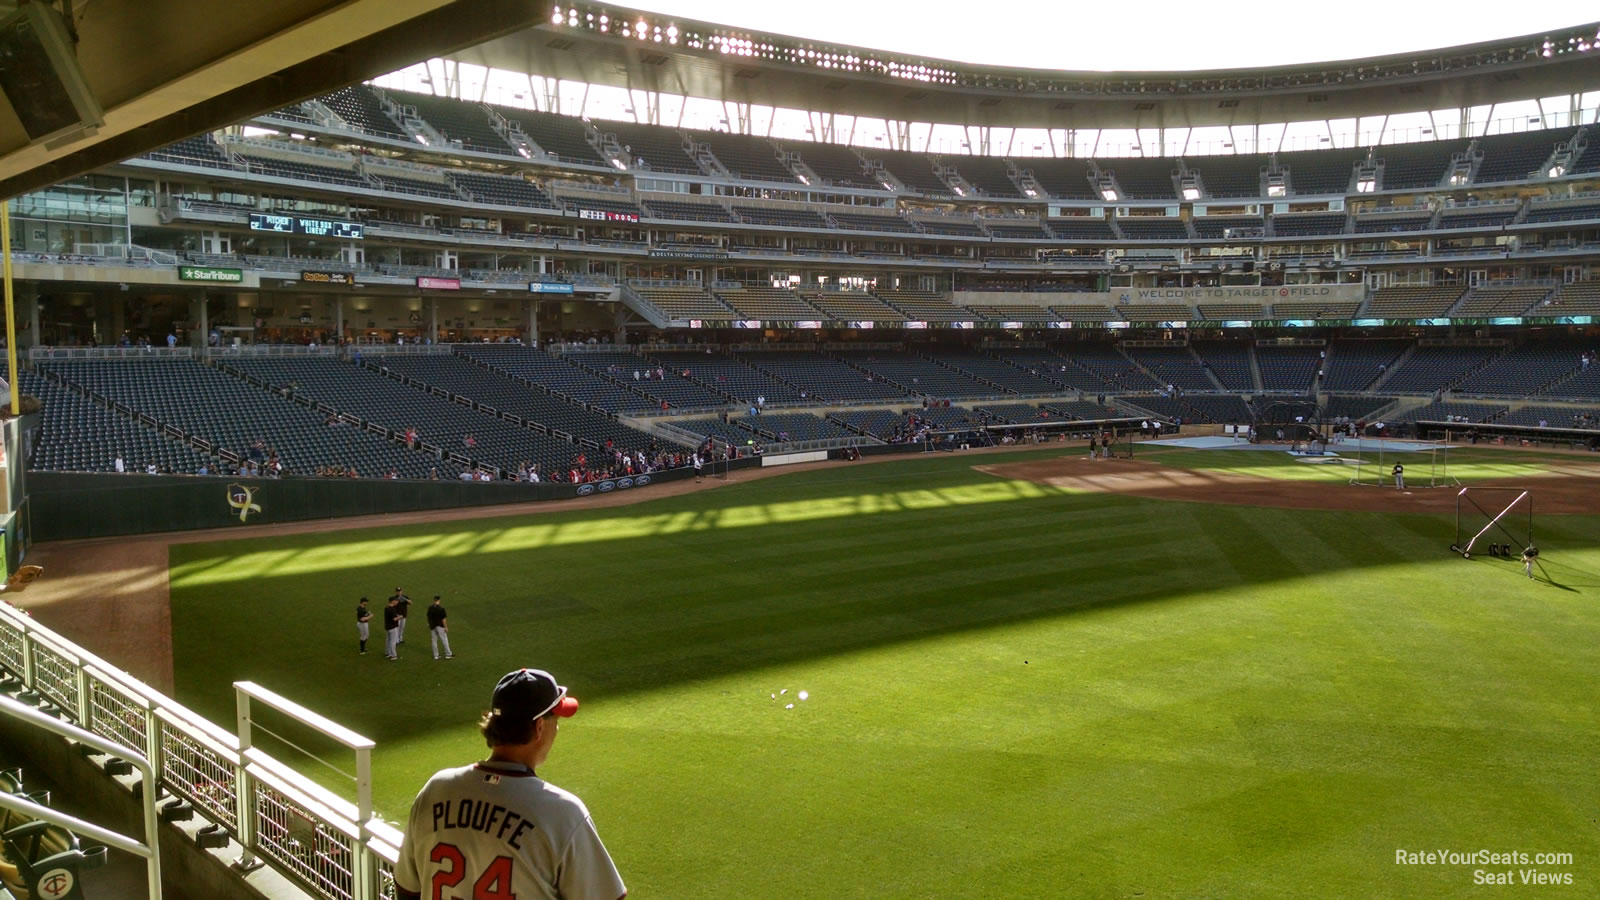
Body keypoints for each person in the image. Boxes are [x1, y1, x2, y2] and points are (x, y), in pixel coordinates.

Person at [393, 668, 625, 900]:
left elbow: (406, 890)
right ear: (539, 728)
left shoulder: (436, 789)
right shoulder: (563, 814)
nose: (557, 728)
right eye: (555, 719)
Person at [427, 595, 453, 660]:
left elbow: (428, 617)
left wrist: (429, 624)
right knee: (444, 639)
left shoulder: (430, 608)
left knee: (434, 641)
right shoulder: (441, 609)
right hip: (440, 626)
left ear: (434, 600)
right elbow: (443, 619)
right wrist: (446, 627)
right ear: (439, 600)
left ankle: (436, 655)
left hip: (432, 626)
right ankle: (448, 654)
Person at [383, 596, 402, 661]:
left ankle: (387, 653)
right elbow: (394, 619)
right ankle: (394, 655)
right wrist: (400, 617)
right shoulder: (392, 609)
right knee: (393, 642)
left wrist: (396, 615)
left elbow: (391, 616)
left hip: (387, 627)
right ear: (393, 601)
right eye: (396, 601)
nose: (397, 602)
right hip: (392, 627)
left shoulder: (386, 608)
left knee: (388, 640)